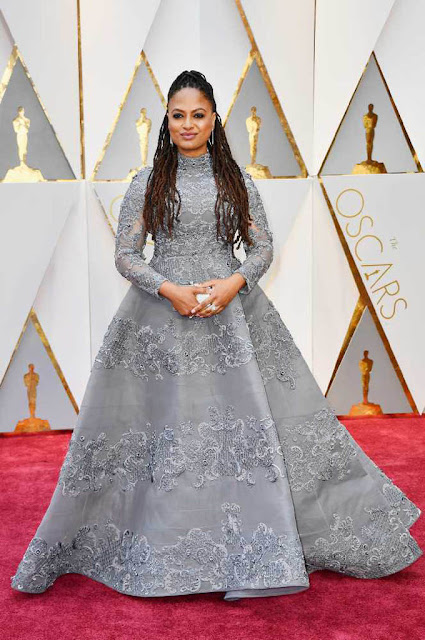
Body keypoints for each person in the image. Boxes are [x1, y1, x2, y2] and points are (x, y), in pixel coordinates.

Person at [11, 70, 422, 600]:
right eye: (178, 115)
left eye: (198, 114)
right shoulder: (147, 181)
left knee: (256, 432)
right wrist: (169, 289)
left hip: (233, 314)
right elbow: (126, 255)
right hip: (160, 321)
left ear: (213, 119)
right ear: (168, 120)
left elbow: (262, 247)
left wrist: (233, 283)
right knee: (162, 437)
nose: (187, 124)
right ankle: (155, 547)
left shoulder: (236, 179)